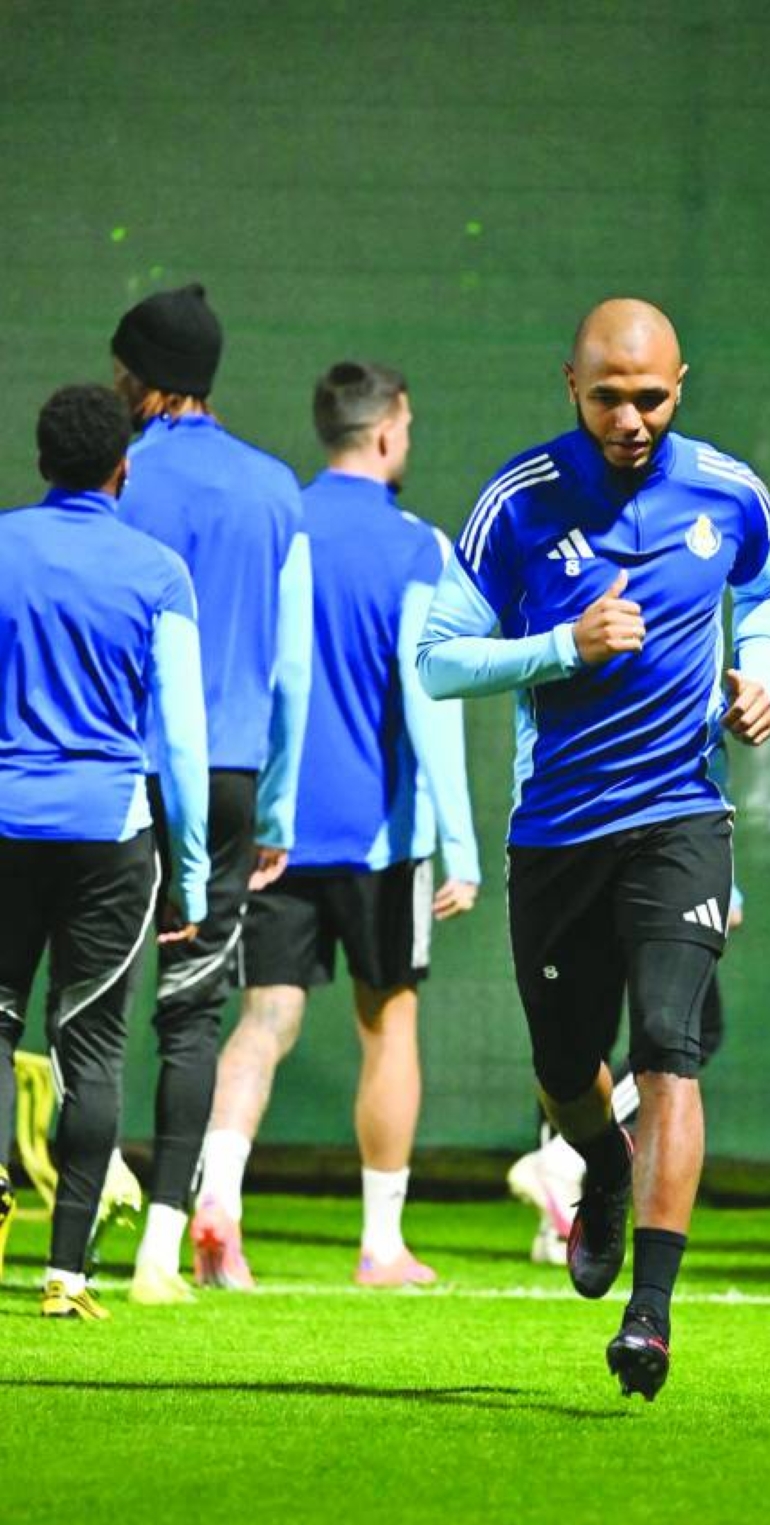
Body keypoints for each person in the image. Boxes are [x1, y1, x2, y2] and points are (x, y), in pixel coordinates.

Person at [419, 297, 770, 1397]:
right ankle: (603, 1163)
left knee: (670, 1042)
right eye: (607, 397)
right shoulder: (519, 502)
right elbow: (439, 660)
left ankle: (650, 1315)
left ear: (682, 383)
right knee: (562, 1063)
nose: (630, 419)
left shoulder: (727, 491)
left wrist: (758, 672)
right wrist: (557, 646)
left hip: (683, 815)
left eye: (651, 397)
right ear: (569, 387)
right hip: (558, 832)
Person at [173, 360, 480, 1296]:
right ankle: (380, 1244)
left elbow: (267, 672)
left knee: (264, 1019)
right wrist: (460, 844)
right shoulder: (419, 546)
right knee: (389, 1025)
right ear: (388, 433)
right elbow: (432, 697)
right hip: (384, 840)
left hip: (276, 834)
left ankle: (218, 1197)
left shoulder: (281, 525)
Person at [110, 285, 314, 1305]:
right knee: (193, 1015)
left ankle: (84, 1181)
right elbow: (292, 672)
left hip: (112, 772)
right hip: (231, 779)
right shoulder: (280, 490)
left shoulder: (114, 475)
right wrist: (275, 813)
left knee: (81, 1004)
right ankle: (160, 1249)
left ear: (139, 376)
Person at [0, 385, 209, 1318]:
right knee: (89, 1046)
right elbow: (184, 739)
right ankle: (66, 1275)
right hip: (110, 837)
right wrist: (193, 873)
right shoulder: (157, 571)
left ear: (42, 460)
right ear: (123, 466)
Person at [509, 905, 739, 1265]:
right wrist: (726, 893)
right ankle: (561, 1159)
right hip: (653, 880)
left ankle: (555, 1227)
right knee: (685, 1032)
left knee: (581, 1040)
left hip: (578, 875)